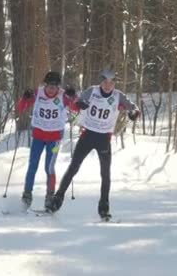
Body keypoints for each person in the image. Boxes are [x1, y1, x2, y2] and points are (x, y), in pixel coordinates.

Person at [48, 70, 140, 219]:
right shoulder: (92, 91)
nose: (108, 86)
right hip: (88, 135)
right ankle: (57, 200)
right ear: (101, 82)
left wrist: (133, 113)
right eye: (105, 82)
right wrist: (80, 104)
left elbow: (134, 108)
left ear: (114, 83)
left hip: (104, 138)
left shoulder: (118, 95)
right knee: (73, 167)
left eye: (111, 83)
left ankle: (104, 208)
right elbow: (76, 104)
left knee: (105, 174)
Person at [17, 71, 77, 210]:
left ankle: (50, 196)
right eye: (49, 86)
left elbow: (76, 107)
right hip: (38, 137)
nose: (52, 89)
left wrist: (73, 96)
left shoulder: (63, 96)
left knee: (49, 167)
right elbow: (21, 108)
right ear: (45, 85)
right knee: (33, 165)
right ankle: (27, 195)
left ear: (58, 87)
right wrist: (25, 98)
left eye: (55, 86)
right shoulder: (38, 94)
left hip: (55, 140)